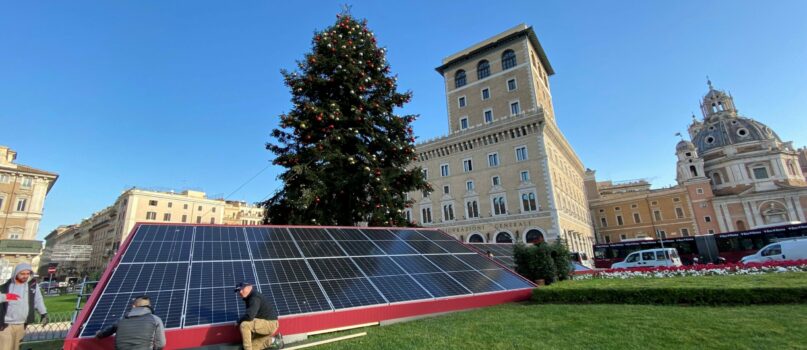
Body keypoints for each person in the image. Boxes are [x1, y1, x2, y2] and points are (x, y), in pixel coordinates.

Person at [0, 263, 48, 350]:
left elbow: (38, 300)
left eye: (27, 274)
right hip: (6, 325)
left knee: (16, 348)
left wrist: (43, 313)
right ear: (16, 273)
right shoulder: (5, 287)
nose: (25, 276)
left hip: (22, 324)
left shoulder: (32, 286)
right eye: (22, 274)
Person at [96, 295, 166, 350]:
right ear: (150, 306)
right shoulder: (156, 319)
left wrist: (99, 334)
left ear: (133, 306)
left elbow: (106, 332)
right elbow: (161, 344)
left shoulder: (121, 319)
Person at [235, 282, 283, 350]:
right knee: (253, 347)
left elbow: (249, 316)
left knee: (244, 325)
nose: (240, 292)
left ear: (249, 287)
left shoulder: (254, 297)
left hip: (269, 324)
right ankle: (274, 341)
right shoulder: (249, 298)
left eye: (242, 289)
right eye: (238, 291)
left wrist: (238, 321)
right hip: (265, 325)